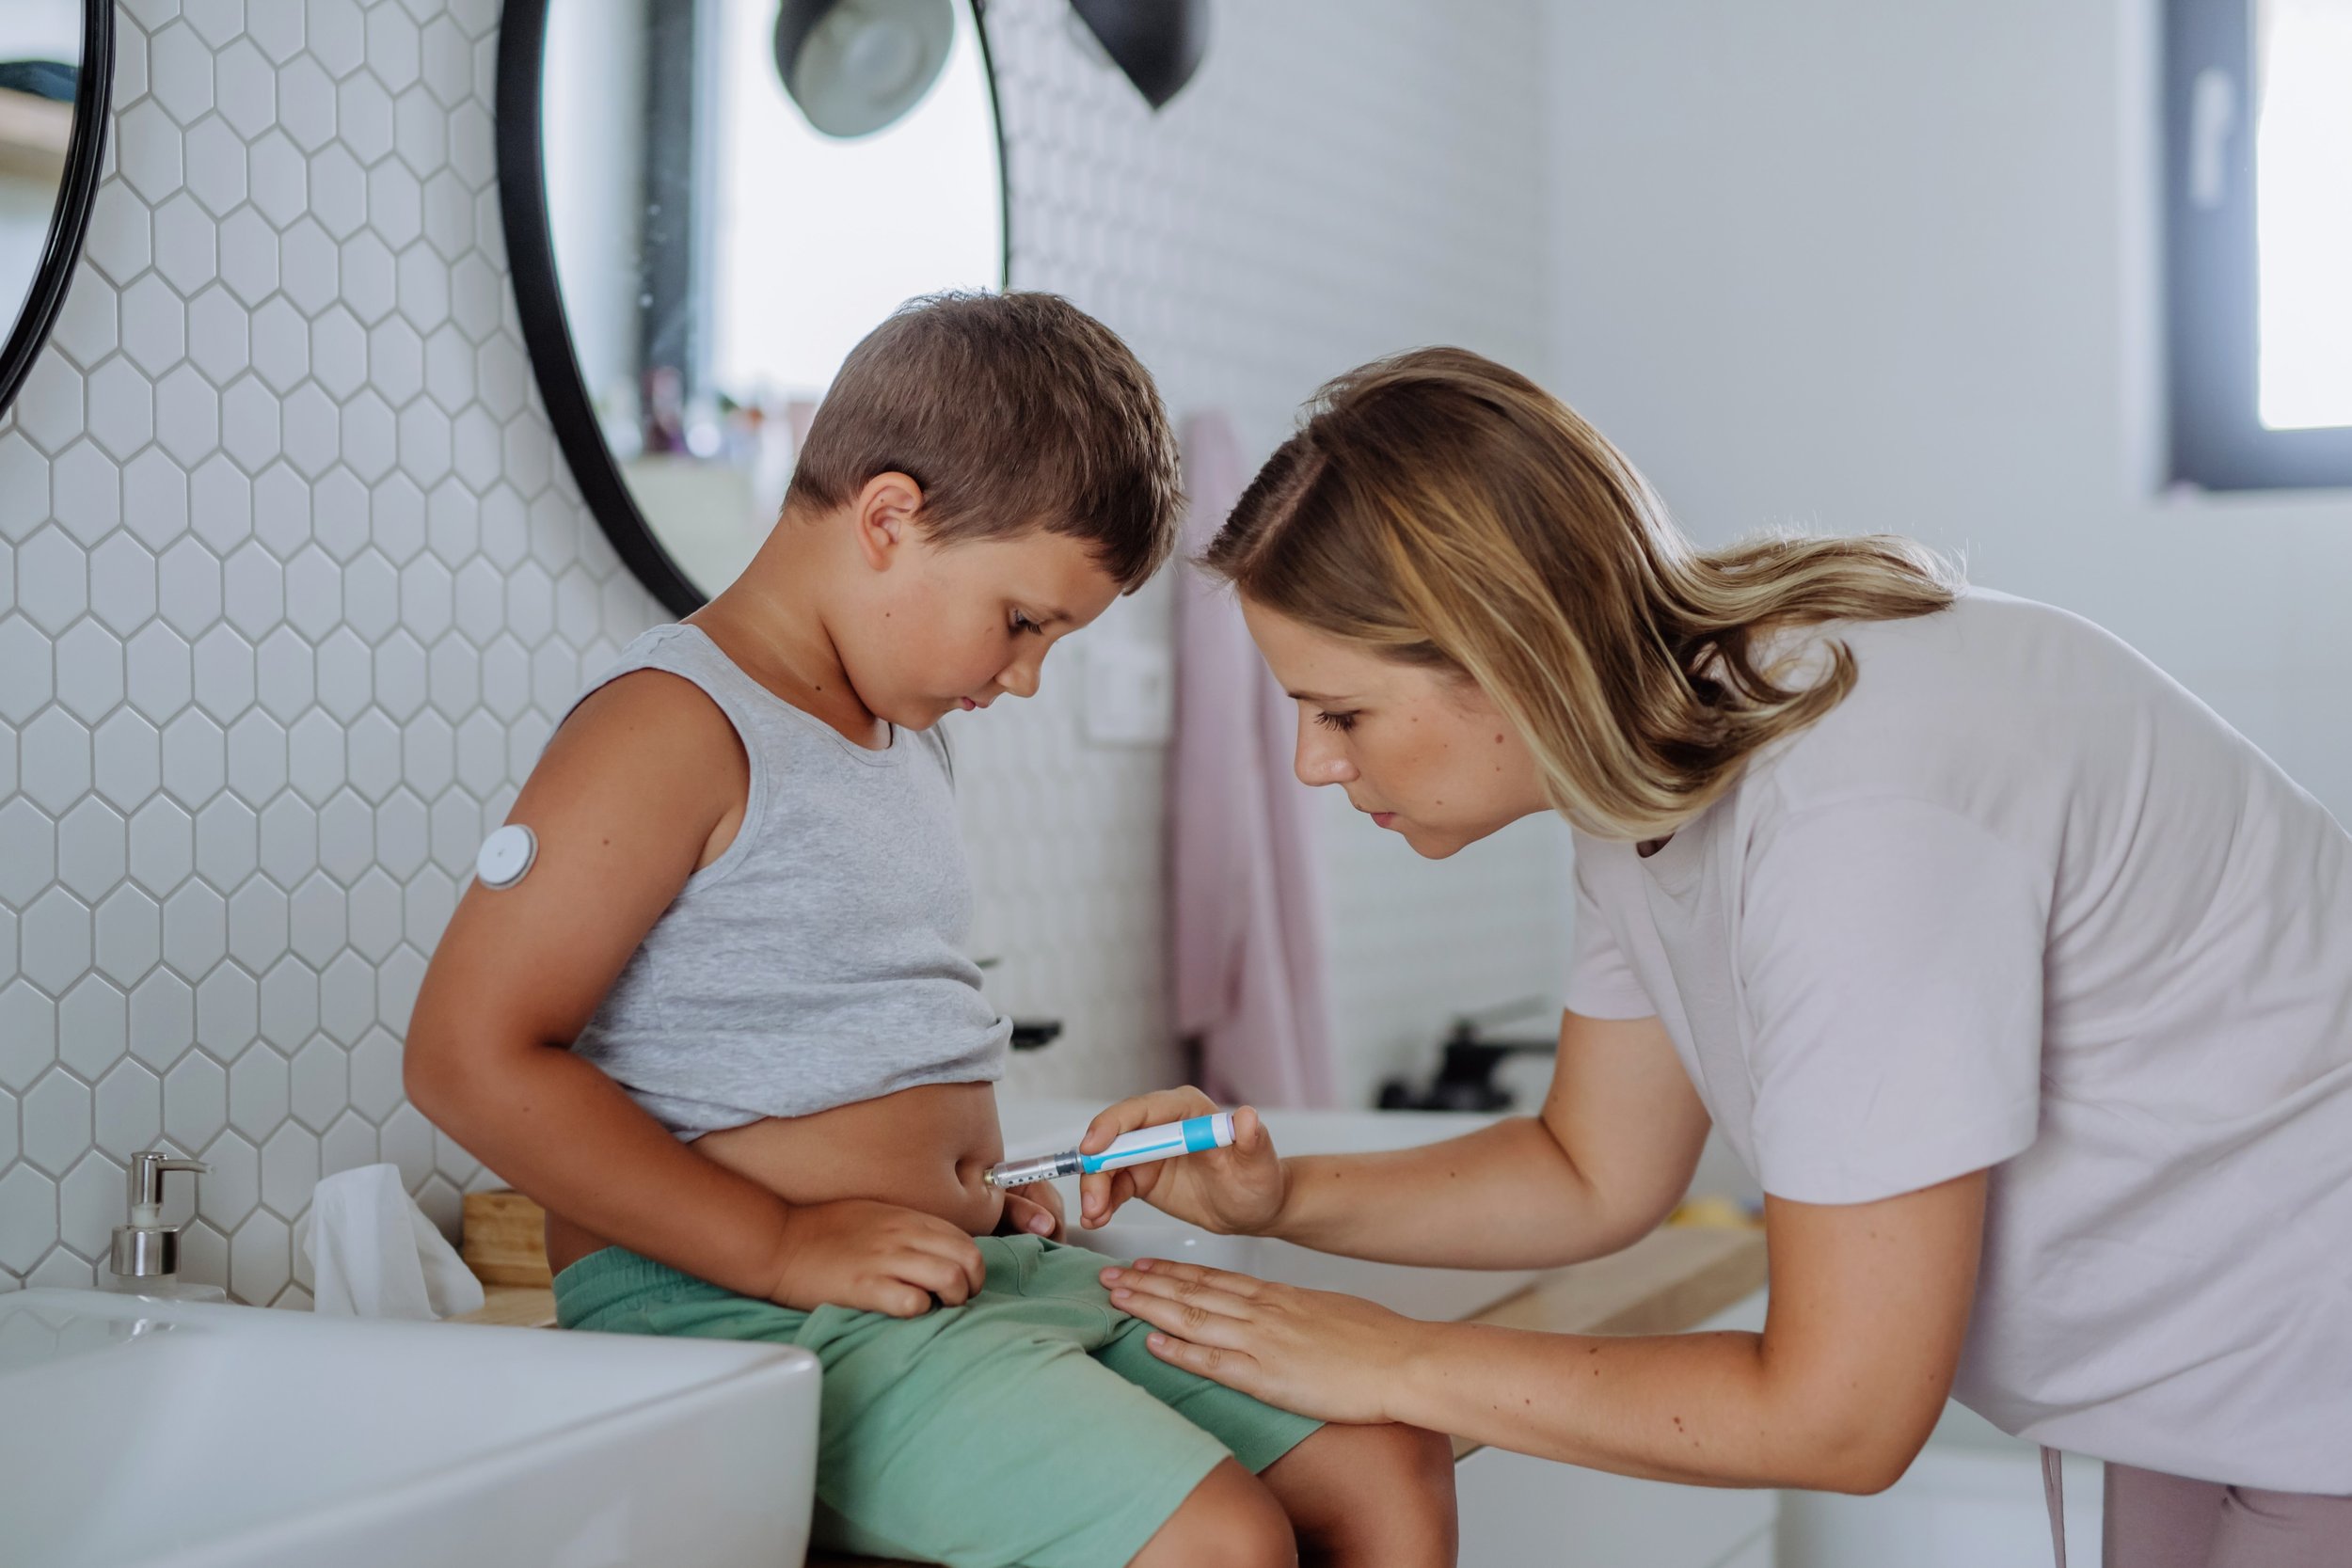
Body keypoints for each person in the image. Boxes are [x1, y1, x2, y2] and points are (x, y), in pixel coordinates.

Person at [1080, 347, 2352, 1566]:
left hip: (2312, 1354)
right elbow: (1593, 1170)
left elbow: (1841, 1416)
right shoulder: (1659, 770)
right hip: (2210, 1378)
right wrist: (1279, 1196)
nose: (1313, 764)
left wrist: (1393, 1361)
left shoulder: (1854, 806)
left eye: (1339, 710)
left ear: (1505, 651)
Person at [405, 294, 1457, 1568]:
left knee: (1391, 1458)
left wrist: (967, 1193)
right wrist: (784, 1241)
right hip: (724, 1308)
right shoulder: (668, 727)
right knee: (1215, 1545)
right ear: (891, 519)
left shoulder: (898, 739)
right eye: (1024, 622)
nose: (1023, 678)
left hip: (946, 1277)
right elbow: (467, 1057)